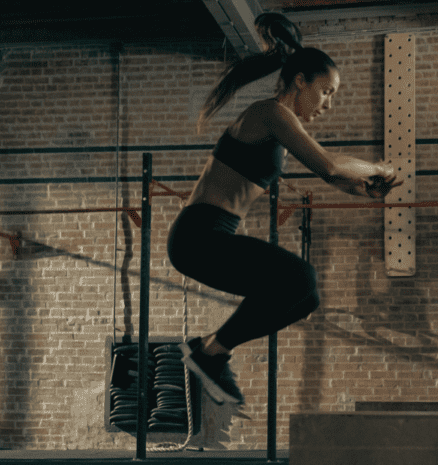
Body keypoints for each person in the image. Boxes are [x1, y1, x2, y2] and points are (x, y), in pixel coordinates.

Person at [167, 13, 402, 407]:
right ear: (300, 80)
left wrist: (363, 189)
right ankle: (209, 353)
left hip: (211, 236)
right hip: (199, 236)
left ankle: (209, 350)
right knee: (301, 276)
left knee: (305, 296)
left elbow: (332, 177)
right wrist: (378, 167)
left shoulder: (278, 124)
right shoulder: (270, 114)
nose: (328, 104)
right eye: (326, 91)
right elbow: (327, 164)